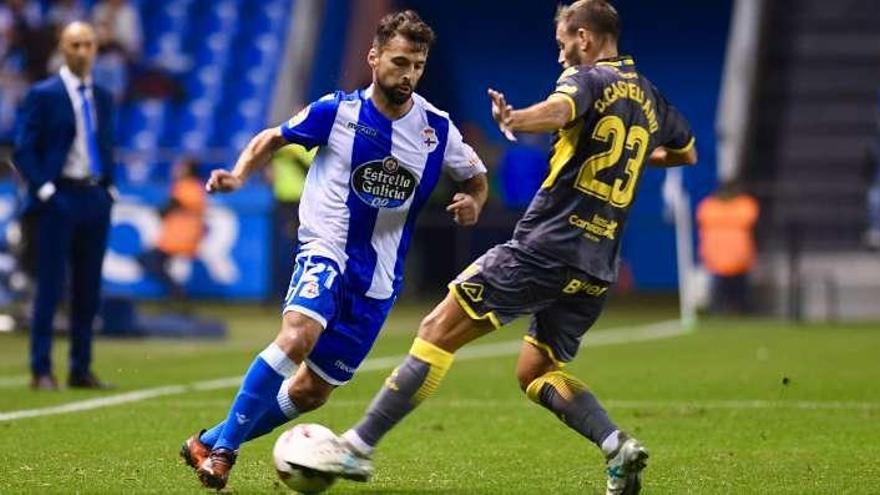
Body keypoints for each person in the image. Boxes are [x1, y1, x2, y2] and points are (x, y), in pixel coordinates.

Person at [303, 2, 698, 494]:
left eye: (561, 45)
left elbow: (561, 109)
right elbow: (686, 151)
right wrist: (632, 160)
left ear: (584, 37)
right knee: (536, 369)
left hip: (546, 246)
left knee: (436, 329)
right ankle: (616, 445)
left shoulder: (588, 79)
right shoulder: (651, 97)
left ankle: (357, 448)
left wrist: (518, 118)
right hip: (597, 263)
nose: (561, 57)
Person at [178, 10, 488, 490]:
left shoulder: (436, 129)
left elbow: (476, 175)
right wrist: (239, 175)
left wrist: (473, 200)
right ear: (374, 56)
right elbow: (273, 137)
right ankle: (224, 452)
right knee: (298, 334)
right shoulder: (337, 112)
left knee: (312, 390)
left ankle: (209, 439)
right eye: (399, 62)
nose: (407, 75)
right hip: (326, 249)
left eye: (418, 66)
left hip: (378, 279)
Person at [13, 21, 116, 391]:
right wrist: (44, 191)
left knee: (88, 290)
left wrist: (109, 187)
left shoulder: (102, 96)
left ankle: (80, 368)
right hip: (58, 199)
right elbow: (23, 148)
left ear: (96, 48)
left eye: (88, 44)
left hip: (93, 198)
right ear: (62, 46)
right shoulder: (43, 94)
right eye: (75, 44)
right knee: (50, 288)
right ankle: (42, 369)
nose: (83, 51)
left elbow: (104, 144)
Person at [138, 158, 206, 298]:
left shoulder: (188, 186)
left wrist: (160, 211)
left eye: (180, 166)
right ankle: (176, 294)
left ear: (188, 169)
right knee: (151, 262)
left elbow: (169, 207)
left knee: (149, 261)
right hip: (176, 237)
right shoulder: (193, 187)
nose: (176, 169)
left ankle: (179, 294)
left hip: (179, 239)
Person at [696, 180, 759, 314]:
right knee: (719, 290)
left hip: (738, 258)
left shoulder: (744, 205)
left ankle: (741, 311)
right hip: (717, 258)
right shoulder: (709, 206)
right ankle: (718, 311)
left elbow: (748, 217)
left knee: (739, 291)